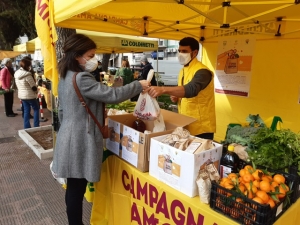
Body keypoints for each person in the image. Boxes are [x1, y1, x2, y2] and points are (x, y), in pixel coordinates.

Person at [51, 33, 150, 225]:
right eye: (90, 55)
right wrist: (137, 85)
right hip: (80, 138)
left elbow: (62, 110)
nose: (93, 59)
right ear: (77, 56)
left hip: (68, 134)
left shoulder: (65, 76)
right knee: (76, 188)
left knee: (73, 186)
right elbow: (112, 95)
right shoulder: (81, 78)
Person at [147, 37, 216, 140]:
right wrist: (177, 97)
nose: (180, 54)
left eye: (184, 51)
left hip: (201, 127)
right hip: (185, 123)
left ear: (195, 52)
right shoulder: (182, 71)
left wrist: (163, 89)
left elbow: (191, 89)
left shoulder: (203, 72)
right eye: (179, 51)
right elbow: (183, 91)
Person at [14, 58, 40, 129]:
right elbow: (33, 87)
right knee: (36, 109)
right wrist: (36, 91)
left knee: (26, 111)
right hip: (30, 96)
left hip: (22, 96)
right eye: (29, 65)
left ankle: (26, 127)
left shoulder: (16, 74)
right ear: (27, 66)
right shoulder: (28, 75)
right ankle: (36, 126)